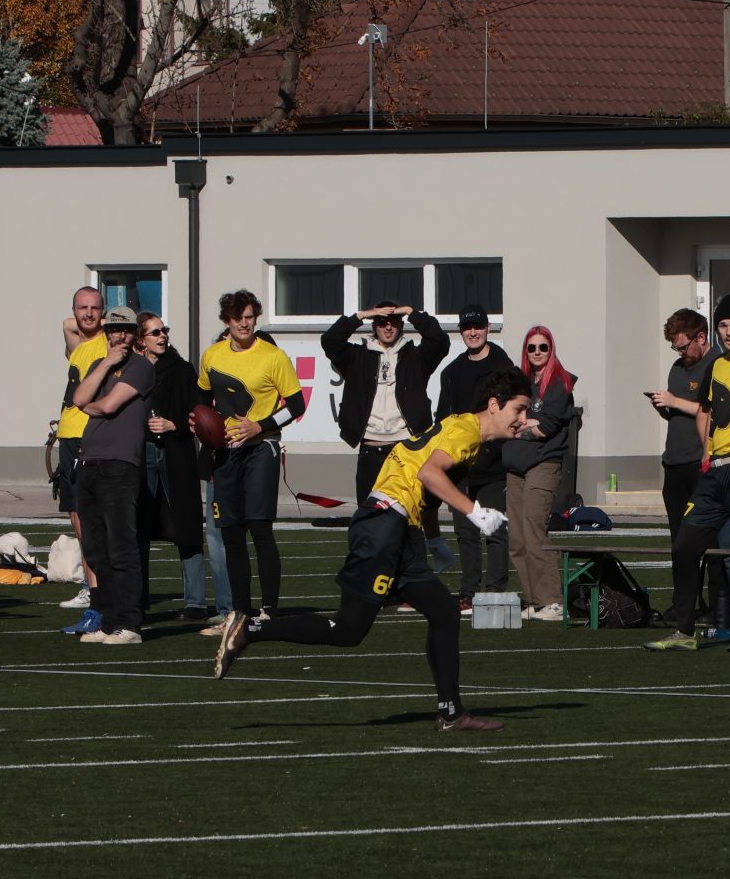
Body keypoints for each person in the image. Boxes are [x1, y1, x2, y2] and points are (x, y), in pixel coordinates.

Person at [220, 366, 525, 735]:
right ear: (494, 405)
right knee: (347, 629)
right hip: (384, 527)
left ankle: (451, 713)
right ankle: (251, 628)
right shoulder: (467, 431)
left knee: (444, 612)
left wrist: (433, 540)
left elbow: (425, 487)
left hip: (399, 529)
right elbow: (430, 474)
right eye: (518, 409)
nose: (522, 419)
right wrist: (476, 512)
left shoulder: (462, 428)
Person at [647, 293, 730, 650]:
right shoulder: (718, 365)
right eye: (723, 325)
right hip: (715, 469)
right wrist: (708, 453)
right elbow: (705, 412)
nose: (727, 332)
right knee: (684, 546)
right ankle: (684, 630)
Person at [199, 288, 307, 630]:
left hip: (261, 448)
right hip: (225, 452)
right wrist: (199, 423)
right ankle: (241, 612)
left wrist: (259, 426)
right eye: (238, 318)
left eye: (249, 317)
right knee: (231, 534)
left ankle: (270, 608)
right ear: (227, 321)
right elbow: (201, 398)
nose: (245, 324)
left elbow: (297, 405)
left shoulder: (272, 356)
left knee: (260, 529)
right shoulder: (212, 355)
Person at [68, 305, 159, 645]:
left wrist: (90, 405)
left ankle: (129, 623)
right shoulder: (100, 364)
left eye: (126, 330)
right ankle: (108, 620)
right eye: (114, 330)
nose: (120, 336)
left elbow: (106, 406)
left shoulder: (140, 366)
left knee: (121, 546)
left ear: (136, 335)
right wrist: (105, 364)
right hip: (89, 462)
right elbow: (78, 398)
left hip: (119, 465)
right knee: (95, 549)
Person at [321, 302, 449, 499]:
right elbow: (330, 341)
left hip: (406, 448)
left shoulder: (415, 357)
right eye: (382, 322)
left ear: (401, 325)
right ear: (374, 325)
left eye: (394, 322)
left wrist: (411, 312)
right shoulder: (357, 357)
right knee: (369, 511)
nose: (388, 327)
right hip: (371, 449)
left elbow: (440, 342)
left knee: (409, 511)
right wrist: (361, 315)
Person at [136, 313, 215, 623]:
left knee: (187, 525)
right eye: (155, 332)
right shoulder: (134, 370)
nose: (162, 336)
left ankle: (196, 602)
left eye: (164, 330)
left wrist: (174, 424)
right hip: (143, 451)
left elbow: (198, 413)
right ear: (142, 340)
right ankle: (136, 602)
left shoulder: (182, 370)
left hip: (176, 451)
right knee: (138, 524)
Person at [435, 305, 512, 610]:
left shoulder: (504, 367)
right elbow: (443, 420)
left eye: (478, 326)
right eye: (467, 328)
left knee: (495, 529)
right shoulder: (452, 372)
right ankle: (468, 593)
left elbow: (510, 414)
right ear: (460, 332)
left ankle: (494, 592)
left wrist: (496, 448)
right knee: (466, 531)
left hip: (493, 464)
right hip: (460, 466)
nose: (473, 332)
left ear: (488, 328)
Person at [504, 325, 577, 622]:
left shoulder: (559, 382)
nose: (537, 352)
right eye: (531, 347)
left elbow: (545, 427)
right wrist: (526, 423)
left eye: (542, 347)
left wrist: (523, 425)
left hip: (544, 463)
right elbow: (507, 417)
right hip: (516, 465)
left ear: (551, 349)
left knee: (534, 527)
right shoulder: (521, 381)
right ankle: (533, 599)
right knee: (517, 537)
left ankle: (553, 601)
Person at [52, 287, 109, 614]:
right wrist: (86, 316)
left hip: (88, 434)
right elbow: (67, 324)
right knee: (77, 518)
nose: (88, 314)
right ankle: (91, 585)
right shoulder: (78, 347)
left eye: (95, 308)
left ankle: (99, 588)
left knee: (91, 519)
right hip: (69, 435)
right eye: (82, 308)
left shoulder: (106, 343)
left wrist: (104, 322)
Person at [650, 308, 714, 536]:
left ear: (701, 338)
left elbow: (711, 412)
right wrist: (664, 408)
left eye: (683, 347)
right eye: (675, 348)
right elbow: (677, 415)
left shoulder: (717, 364)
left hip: (700, 462)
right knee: (678, 539)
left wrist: (674, 401)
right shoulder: (677, 369)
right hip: (674, 463)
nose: (679, 353)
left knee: (707, 538)